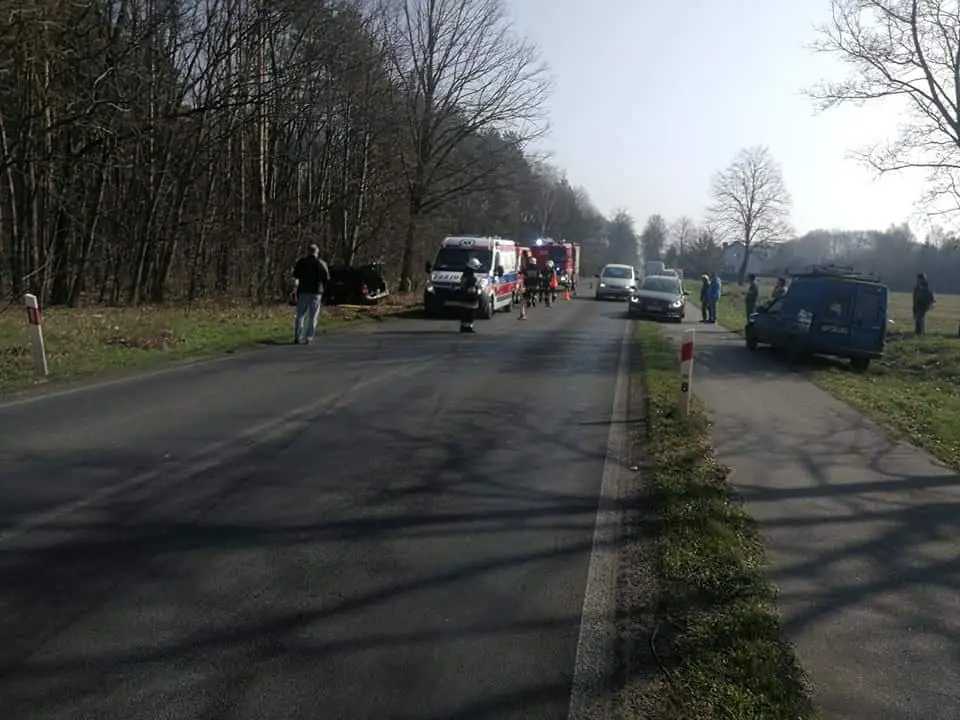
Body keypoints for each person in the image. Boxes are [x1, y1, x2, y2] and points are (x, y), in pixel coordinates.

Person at [291, 243, 330, 345]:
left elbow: (295, 275)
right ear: (317, 252)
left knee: (300, 315)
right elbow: (326, 278)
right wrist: (325, 291)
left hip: (303, 291)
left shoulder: (301, 262)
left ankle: (298, 337)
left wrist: (296, 288)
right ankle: (309, 337)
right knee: (313, 316)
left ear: (308, 251)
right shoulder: (321, 263)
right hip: (316, 292)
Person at [457, 257, 483, 333]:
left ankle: (464, 327)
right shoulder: (471, 278)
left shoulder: (464, 275)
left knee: (465, 313)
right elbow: (471, 288)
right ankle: (467, 327)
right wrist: (476, 295)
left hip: (464, 297)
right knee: (470, 314)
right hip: (470, 298)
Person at [912, 272, 935, 336]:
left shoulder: (926, 287)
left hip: (923, 304)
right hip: (917, 304)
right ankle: (918, 332)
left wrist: (930, 304)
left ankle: (920, 332)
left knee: (920, 318)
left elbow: (930, 296)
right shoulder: (918, 287)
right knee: (918, 318)